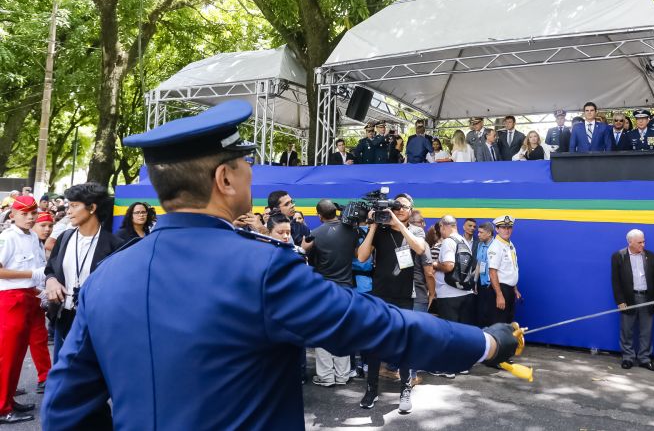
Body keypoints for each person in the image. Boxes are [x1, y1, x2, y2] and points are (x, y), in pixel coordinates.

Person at [42, 100, 520, 429]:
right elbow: (377, 327)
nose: (253, 171)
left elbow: (65, 408)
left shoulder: (107, 277)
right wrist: (484, 343)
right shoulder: (260, 268)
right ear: (225, 178)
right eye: (246, 163)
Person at [355, 193, 430, 412]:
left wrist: (398, 224)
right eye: (395, 207)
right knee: (377, 343)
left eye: (403, 207)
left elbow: (420, 249)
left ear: (411, 209)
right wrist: (373, 227)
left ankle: (405, 390)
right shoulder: (381, 230)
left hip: (405, 295)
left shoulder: (415, 230)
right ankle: (371, 390)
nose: (399, 210)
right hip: (380, 294)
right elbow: (361, 257)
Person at [44, 182, 124, 364]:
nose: (68, 211)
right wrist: (51, 281)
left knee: (89, 376)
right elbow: (50, 269)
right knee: (60, 371)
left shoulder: (115, 245)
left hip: (95, 322)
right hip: (63, 316)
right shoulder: (64, 238)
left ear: (92, 208)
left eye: (74, 205)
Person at [308, 199, 360, 387]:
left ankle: (326, 377)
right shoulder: (351, 231)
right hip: (346, 288)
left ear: (319, 215)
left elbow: (311, 261)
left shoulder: (314, 234)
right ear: (336, 212)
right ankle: (343, 375)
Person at [0, 195, 41, 424]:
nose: (30, 217)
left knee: (17, 356)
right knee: (7, 356)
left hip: (29, 298)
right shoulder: (7, 237)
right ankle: (2, 407)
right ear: (13, 214)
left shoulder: (33, 236)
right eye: (24, 213)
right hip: (11, 299)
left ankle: (7, 400)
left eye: (32, 213)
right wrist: (31, 275)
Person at [610, 229, 654, 371]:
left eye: (644, 241)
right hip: (629, 298)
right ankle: (627, 358)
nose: (643, 245)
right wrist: (620, 301)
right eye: (640, 242)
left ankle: (644, 359)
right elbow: (616, 281)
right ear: (630, 242)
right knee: (627, 330)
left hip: (648, 298)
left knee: (646, 331)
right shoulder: (618, 256)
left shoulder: (651, 256)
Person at [27, 212, 54, 394]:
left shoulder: (38, 244)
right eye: (42, 225)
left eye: (50, 226)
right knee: (11, 345)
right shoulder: (14, 239)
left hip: (35, 298)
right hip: (18, 297)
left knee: (39, 339)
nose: (47, 229)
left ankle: (45, 377)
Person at [433, 215, 476, 326]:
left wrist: (435, 264)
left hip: (449, 295)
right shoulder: (464, 241)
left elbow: (448, 266)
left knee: (450, 333)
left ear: (442, 226)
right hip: (466, 292)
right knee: (464, 331)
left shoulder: (448, 241)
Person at [487, 215, 521, 324]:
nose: (507, 230)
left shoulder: (509, 244)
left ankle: (505, 341)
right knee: (499, 323)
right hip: (500, 289)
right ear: (497, 229)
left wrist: (514, 288)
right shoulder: (496, 246)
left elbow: (511, 268)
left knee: (508, 322)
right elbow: (492, 272)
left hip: (509, 289)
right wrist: (499, 295)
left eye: (509, 227)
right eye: (503, 227)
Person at [473, 222, 495, 327]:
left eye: (481, 232)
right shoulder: (480, 244)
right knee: (481, 313)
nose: (478, 234)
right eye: (478, 232)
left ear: (489, 233)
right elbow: (479, 264)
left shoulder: (496, 246)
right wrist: (475, 281)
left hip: (492, 285)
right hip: (482, 284)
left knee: (491, 314)